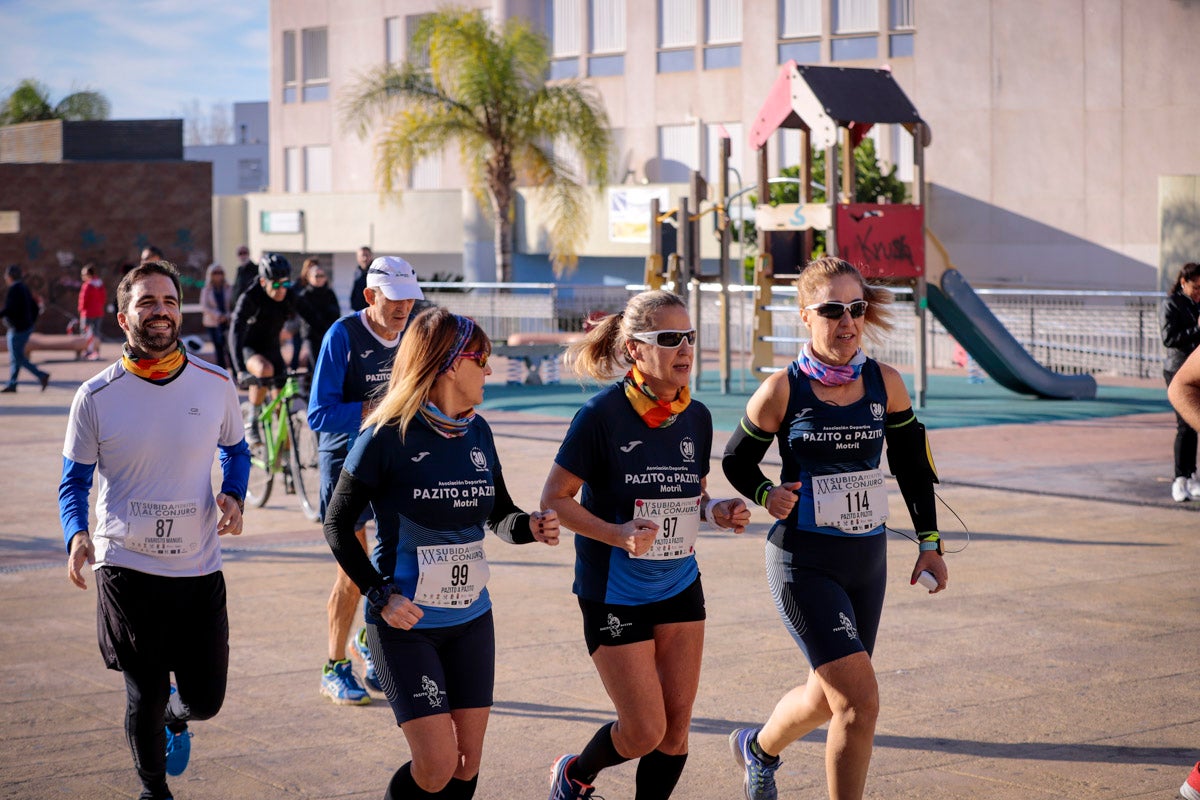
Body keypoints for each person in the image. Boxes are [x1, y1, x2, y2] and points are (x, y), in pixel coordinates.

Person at [720, 256, 946, 800]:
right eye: (831, 310)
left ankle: (758, 749)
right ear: (805, 315)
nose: (847, 322)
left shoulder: (885, 383)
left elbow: (913, 467)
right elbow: (735, 460)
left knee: (825, 698)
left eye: (856, 308)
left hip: (866, 561)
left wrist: (930, 542)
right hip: (804, 562)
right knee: (858, 703)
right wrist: (765, 493)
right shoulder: (782, 389)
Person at [323, 307, 559, 799]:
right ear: (450, 364)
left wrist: (532, 527)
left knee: (466, 764)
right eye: (482, 359)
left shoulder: (478, 431)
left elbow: (500, 515)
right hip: (406, 626)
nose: (489, 370)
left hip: (471, 620)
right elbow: (337, 523)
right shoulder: (385, 436)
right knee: (435, 766)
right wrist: (380, 594)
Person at [541, 290, 751, 800]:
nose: (685, 349)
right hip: (614, 590)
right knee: (643, 731)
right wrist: (616, 535)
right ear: (635, 348)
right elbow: (554, 500)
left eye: (690, 337)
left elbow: (692, 493)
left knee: (676, 733)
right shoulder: (601, 416)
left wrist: (715, 511)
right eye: (670, 338)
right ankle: (575, 774)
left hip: (678, 582)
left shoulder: (696, 416)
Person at [57, 259, 250, 800]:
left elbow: (236, 450)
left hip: (198, 565)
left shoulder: (215, 383)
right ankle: (153, 789)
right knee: (143, 691)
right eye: (146, 302)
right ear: (123, 318)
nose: (160, 311)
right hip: (126, 564)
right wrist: (77, 534)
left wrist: (234, 494)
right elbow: (73, 482)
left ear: (180, 312)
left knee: (206, 699)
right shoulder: (95, 396)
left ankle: (176, 714)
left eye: (168, 301)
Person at [308, 255, 423, 705]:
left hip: (393, 462)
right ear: (370, 296)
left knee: (399, 566)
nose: (403, 308)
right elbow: (319, 413)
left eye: (409, 299)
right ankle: (334, 665)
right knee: (352, 575)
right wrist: (377, 409)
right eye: (394, 299)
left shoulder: (411, 334)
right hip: (346, 464)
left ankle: (369, 642)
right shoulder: (342, 335)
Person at [229, 253, 317, 444]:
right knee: (264, 369)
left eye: (286, 284)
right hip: (250, 349)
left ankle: (284, 456)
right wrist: (240, 370)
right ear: (263, 281)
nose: (281, 289)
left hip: (273, 349)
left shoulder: (289, 294)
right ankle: (252, 421)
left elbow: (314, 318)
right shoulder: (250, 297)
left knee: (282, 411)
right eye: (276, 285)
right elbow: (235, 333)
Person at [1160, 262, 1200, 502]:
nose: (1198, 292)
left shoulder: (1196, 304)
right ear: (1183, 283)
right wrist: (1196, 329)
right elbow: (1169, 338)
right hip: (1177, 369)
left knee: (1193, 427)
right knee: (1185, 426)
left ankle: (1192, 475)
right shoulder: (1171, 304)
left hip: (1195, 370)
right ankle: (1179, 478)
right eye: (1196, 287)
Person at [1, 264, 50, 393]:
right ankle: (12, 383)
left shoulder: (15, 289)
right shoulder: (23, 288)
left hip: (18, 329)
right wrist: (30, 322)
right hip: (23, 327)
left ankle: (41, 375)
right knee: (15, 357)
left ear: (10, 276)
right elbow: (35, 307)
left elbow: (9, 309)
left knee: (17, 357)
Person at [294, 257, 341, 372]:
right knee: (316, 367)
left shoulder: (329, 293)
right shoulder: (304, 295)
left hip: (328, 335)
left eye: (322, 276)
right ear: (309, 278)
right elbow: (309, 317)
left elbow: (336, 313)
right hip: (312, 337)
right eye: (316, 276)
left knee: (330, 366)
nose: (319, 278)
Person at [199, 263, 232, 370]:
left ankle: (235, 373)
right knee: (218, 348)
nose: (218, 275)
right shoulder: (206, 289)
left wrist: (227, 315)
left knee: (230, 348)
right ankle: (221, 372)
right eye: (215, 273)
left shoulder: (229, 288)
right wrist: (218, 315)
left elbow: (233, 304)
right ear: (210, 275)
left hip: (227, 322)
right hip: (212, 323)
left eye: (220, 272)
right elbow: (204, 306)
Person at [78, 263, 107, 360]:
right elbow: (103, 298)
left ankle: (86, 351)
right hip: (98, 312)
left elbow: (83, 299)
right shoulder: (100, 284)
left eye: (83, 274)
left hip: (87, 313)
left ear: (88, 274)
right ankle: (96, 352)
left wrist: (81, 309)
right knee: (96, 333)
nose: (82, 276)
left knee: (85, 333)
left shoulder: (87, 285)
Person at [350, 245, 373, 312]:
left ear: (371, 256)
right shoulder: (357, 272)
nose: (364, 258)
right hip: (359, 310)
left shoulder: (375, 272)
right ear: (357, 258)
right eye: (362, 256)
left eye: (367, 255)